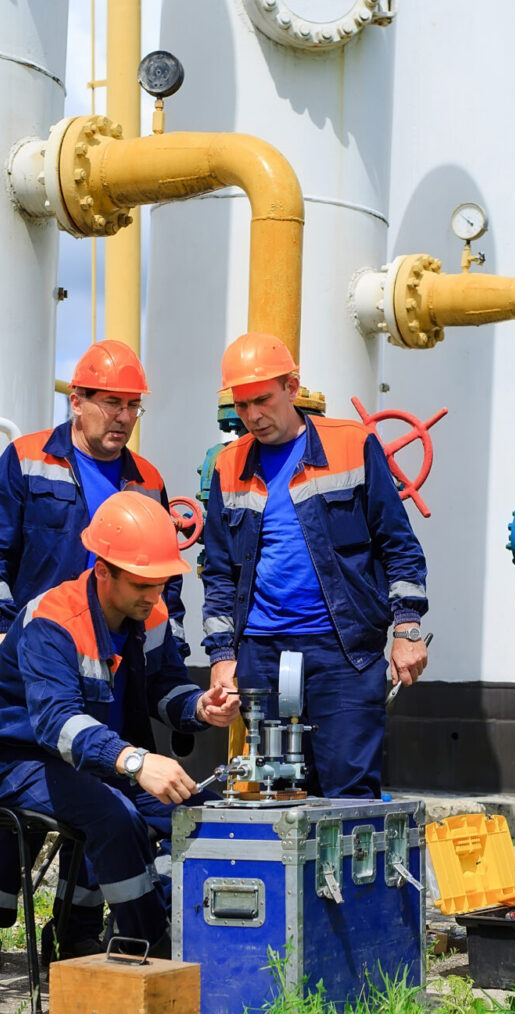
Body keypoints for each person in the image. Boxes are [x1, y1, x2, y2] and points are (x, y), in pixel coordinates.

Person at [0, 339, 188, 973]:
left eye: (132, 406)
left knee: (104, 789)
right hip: (43, 659)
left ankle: (82, 930)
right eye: (110, 403)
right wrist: (0, 628)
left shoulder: (149, 481)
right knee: (57, 796)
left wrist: (186, 678)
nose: (122, 416)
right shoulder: (29, 459)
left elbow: (161, 572)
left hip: (110, 670)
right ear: (76, 401)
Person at [0, 491, 239, 955]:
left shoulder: (148, 611)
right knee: (112, 814)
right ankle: (145, 944)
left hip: (99, 754)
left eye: (161, 583)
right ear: (104, 570)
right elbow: (55, 725)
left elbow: (163, 688)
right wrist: (135, 761)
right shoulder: (53, 618)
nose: (155, 596)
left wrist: (199, 707)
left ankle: (78, 934)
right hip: (15, 753)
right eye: (142, 584)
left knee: (199, 818)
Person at [201, 332, 428, 798]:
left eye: (262, 400)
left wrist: (407, 627)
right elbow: (220, 571)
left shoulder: (353, 445)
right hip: (259, 653)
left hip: (342, 651)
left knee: (346, 790)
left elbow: (398, 544)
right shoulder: (228, 464)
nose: (253, 416)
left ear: (292, 387)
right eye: (242, 405)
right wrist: (223, 657)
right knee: (271, 793)